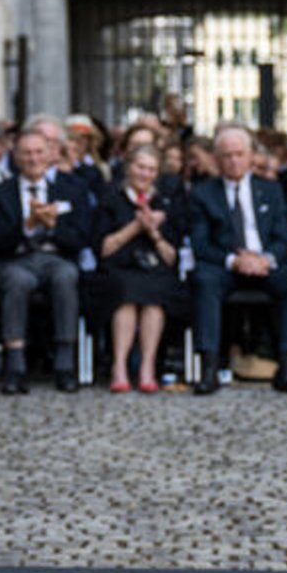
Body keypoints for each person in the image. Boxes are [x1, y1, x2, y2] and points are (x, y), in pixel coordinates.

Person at [188, 125, 287, 394]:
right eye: (227, 155)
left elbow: (283, 238)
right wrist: (234, 260)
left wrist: (265, 260)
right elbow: (200, 244)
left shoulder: (270, 189)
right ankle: (208, 367)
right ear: (217, 159)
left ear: (250, 156)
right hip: (226, 266)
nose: (234, 160)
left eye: (239, 154)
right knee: (203, 280)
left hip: (264, 264)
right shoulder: (202, 194)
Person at [0, 128, 93, 394]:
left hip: (57, 257)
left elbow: (81, 238)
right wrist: (27, 227)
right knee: (16, 280)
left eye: (39, 152)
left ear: (51, 154)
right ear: (15, 156)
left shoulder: (70, 189)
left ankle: (65, 365)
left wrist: (53, 227)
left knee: (66, 277)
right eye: (26, 153)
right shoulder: (0, 193)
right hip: (16, 259)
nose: (33, 158)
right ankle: (15, 367)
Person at [95, 144, 187, 392]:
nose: (145, 174)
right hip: (119, 268)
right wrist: (135, 226)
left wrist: (153, 232)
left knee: (153, 297)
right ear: (128, 168)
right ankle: (120, 366)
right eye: (140, 167)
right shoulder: (111, 198)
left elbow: (172, 256)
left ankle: (147, 367)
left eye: (151, 169)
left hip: (155, 268)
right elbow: (103, 249)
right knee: (125, 294)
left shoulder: (167, 202)